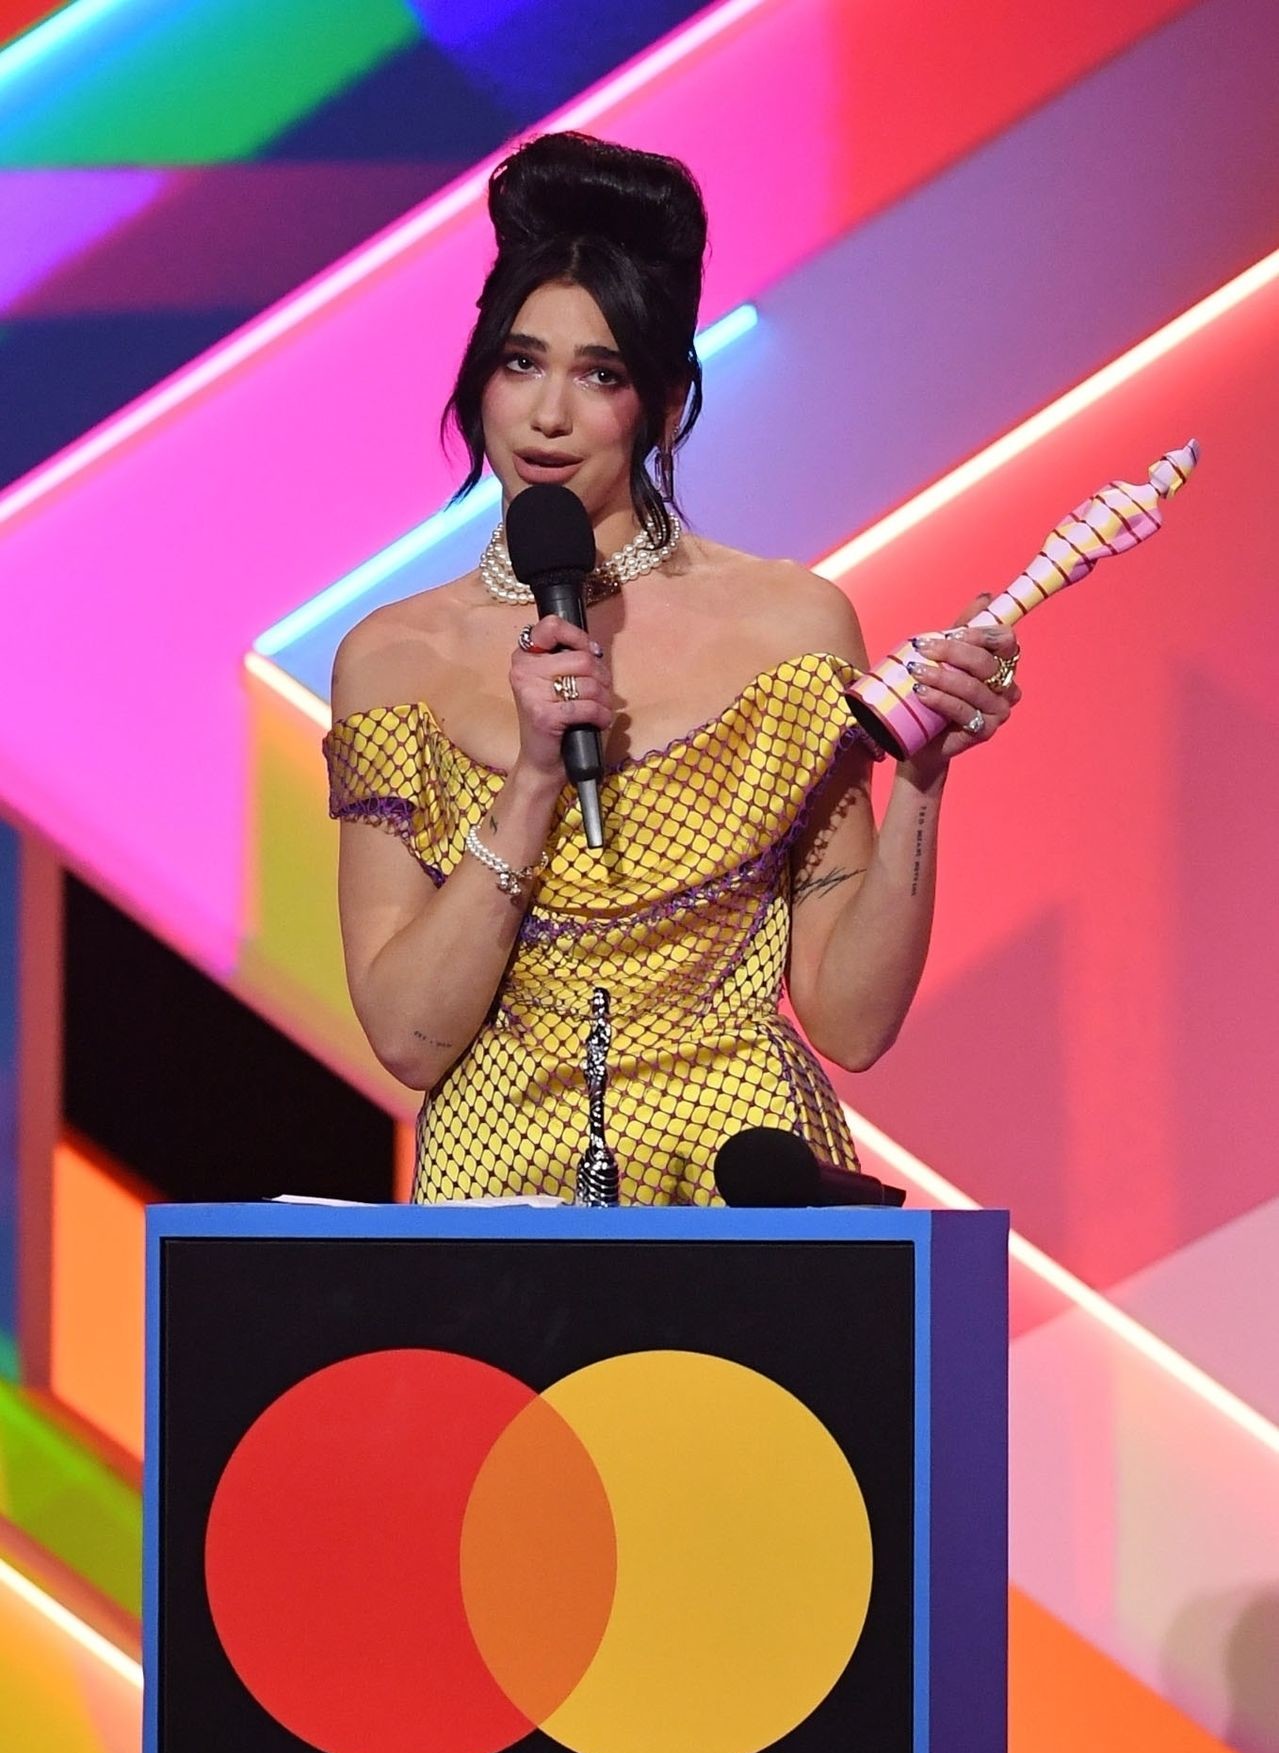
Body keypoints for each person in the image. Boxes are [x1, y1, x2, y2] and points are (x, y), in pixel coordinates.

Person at [323, 132, 1021, 1205]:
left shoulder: (788, 626)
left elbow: (849, 1024)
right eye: (520, 363)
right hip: (497, 1192)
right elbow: (410, 1038)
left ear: (660, 401)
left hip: (744, 1178)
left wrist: (924, 779)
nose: (547, 415)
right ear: (479, 381)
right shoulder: (392, 661)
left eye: (598, 375)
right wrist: (534, 780)